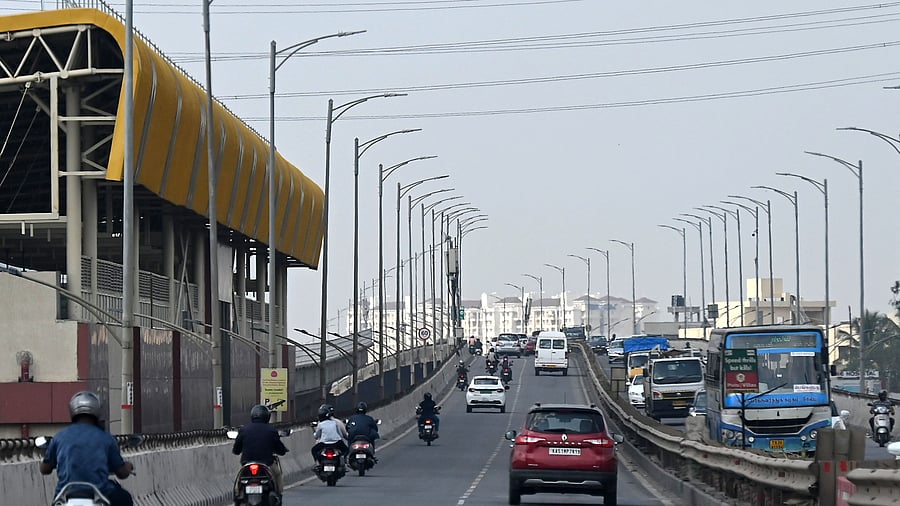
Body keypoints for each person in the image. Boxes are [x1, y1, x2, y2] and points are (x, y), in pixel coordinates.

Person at [39, 391, 135, 506]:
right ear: (97, 411)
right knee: (125, 498)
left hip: (66, 494)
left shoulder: (59, 437)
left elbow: (44, 469)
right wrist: (128, 466)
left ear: (73, 411)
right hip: (100, 493)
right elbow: (122, 473)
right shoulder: (106, 438)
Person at [232, 405, 288, 495]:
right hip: (267, 462)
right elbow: (280, 448)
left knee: (240, 477)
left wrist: (237, 451)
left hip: (247, 462)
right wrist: (282, 451)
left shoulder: (244, 429)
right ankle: (278, 494)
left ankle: (237, 493)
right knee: (277, 474)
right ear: (267, 417)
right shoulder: (271, 430)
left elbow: (236, 449)